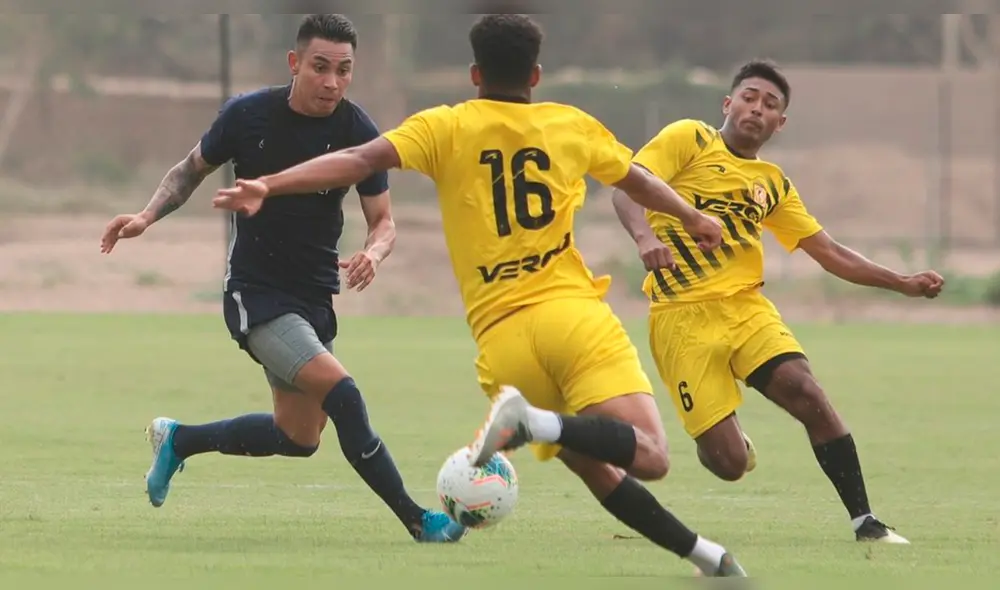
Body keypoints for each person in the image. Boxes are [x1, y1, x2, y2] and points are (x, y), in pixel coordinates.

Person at [212, 14, 747, 578]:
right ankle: (537, 425)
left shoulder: (445, 127)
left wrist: (269, 182)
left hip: (503, 343)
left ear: (474, 74)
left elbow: (358, 160)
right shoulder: (570, 124)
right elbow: (638, 181)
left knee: (592, 462)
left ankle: (706, 558)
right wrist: (692, 217)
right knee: (650, 455)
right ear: (535, 76)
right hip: (572, 317)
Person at [98, 14, 466, 544]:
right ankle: (418, 520)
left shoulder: (358, 132)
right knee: (345, 395)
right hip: (257, 294)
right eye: (320, 67)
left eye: (343, 70)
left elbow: (383, 221)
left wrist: (374, 252)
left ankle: (179, 440)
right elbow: (188, 171)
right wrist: (145, 217)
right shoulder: (247, 115)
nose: (332, 82)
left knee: (299, 438)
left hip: (314, 295)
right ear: (295, 63)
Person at [610, 59, 945, 544]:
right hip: (681, 319)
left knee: (808, 393)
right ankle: (726, 437)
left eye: (770, 105)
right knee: (728, 463)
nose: (757, 109)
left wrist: (903, 282)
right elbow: (628, 186)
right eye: (749, 97)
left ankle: (866, 523)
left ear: (780, 123)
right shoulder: (690, 139)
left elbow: (829, 252)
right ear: (728, 103)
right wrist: (645, 239)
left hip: (746, 309)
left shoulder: (772, 183)